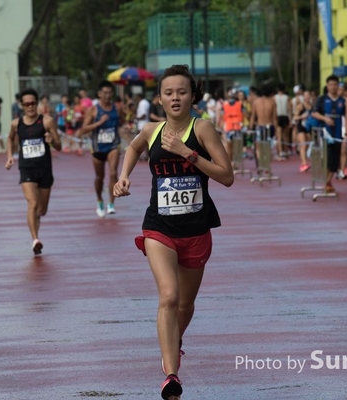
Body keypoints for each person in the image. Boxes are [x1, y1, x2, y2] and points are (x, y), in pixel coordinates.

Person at [113, 64, 233, 400]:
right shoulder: (151, 130)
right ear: (160, 98)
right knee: (169, 296)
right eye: (169, 93)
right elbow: (134, 148)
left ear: (192, 95)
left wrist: (187, 153)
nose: (175, 97)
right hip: (159, 227)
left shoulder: (203, 128)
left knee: (185, 304)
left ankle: (173, 345)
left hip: (196, 230)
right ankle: (171, 376)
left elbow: (227, 176)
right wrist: (124, 177)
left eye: (182, 91)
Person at [5, 88, 62, 256]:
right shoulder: (16, 124)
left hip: (44, 169)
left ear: (37, 104)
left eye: (33, 103)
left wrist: (52, 142)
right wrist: (9, 156)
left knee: (41, 210)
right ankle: (35, 239)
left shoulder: (47, 121)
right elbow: (9, 138)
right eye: (26, 104)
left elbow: (59, 145)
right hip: (26, 168)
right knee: (32, 203)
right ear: (21, 105)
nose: (30, 106)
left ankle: (36, 223)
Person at [81, 80, 124, 217]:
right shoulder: (93, 110)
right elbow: (84, 129)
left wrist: (125, 128)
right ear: (99, 94)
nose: (107, 96)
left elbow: (121, 122)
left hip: (113, 145)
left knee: (113, 173)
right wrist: (99, 122)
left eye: (110, 93)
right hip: (98, 147)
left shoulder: (117, 108)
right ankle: (100, 200)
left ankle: (111, 203)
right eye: (105, 93)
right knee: (100, 177)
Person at [312, 75, 346, 192]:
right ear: (327, 86)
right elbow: (314, 113)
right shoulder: (322, 99)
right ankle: (326, 182)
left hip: (338, 134)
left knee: (335, 159)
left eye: (335, 84)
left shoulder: (342, 101)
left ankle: (328, 181)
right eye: (330, 85)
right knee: (327, 157)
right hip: (325, 134)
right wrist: (325, 119)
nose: (333, 87)